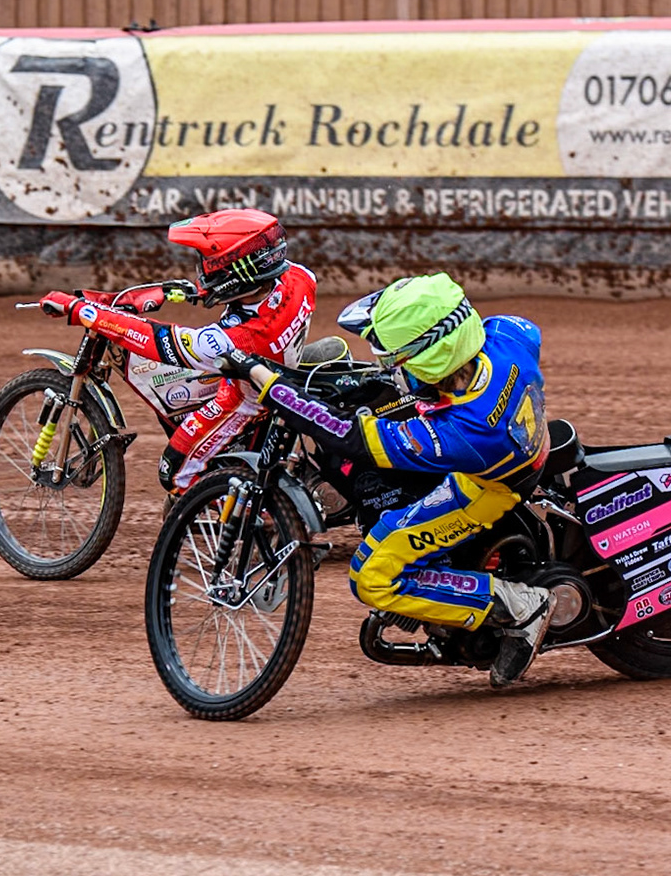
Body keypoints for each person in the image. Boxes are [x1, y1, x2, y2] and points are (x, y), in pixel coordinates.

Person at [220, 273, 554, 685]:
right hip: (524, 445)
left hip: (486, 489)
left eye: (398, 362)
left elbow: (351, 437)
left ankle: (520, 606)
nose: (392, 371)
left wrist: (271, 385)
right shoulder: (506, 337)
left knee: (372, 576)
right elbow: (524, 333)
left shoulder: (462, 432)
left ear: (434, 358)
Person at [37, 208, 317, 493]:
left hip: (244, 400)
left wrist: (81, 309)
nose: (204, 270)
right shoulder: (300, 278)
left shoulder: (234, 339)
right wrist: (186, 291)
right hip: (276, 372)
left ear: (238, 271)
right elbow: (245, 286)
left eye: (211, 264)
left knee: (172, 474)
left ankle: (255, 512)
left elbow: (157, 340)